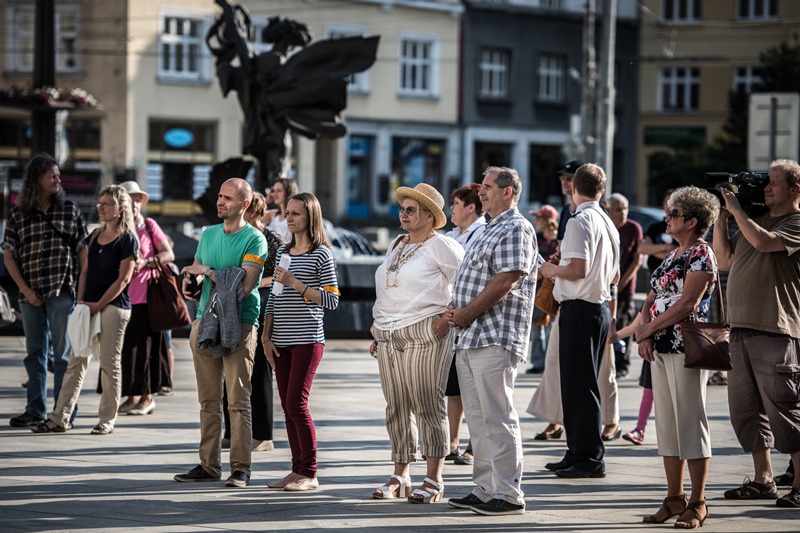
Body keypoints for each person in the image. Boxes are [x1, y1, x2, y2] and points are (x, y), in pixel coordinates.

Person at [446, 166, 537, 516]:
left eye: (486, 187)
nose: (480, 192)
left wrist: (467, 312)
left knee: (498, 417)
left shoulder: (516, 226)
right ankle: (485, 488)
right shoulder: (489, 228)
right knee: (480, 419)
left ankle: (509, 493)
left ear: (507, 191)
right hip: (470, 336)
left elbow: (506, 281)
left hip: (494, 334)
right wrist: (458, 311)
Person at [713, 159, 800, 508]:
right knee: (746, 412)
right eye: (766, 182)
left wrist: (736, 209)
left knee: (785, 411)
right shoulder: (755, 220)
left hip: (775, 330)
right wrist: (722, 215)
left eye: (774, 183)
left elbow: (765, 244)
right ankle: (764, 479)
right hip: (740, 329)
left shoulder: (795, 222)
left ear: (795, 189)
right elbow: (724, 260)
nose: (766, 188)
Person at [370, 183, 463, 503]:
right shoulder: (397, 243)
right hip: (388, 334)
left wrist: (445, 320)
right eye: (402, 208)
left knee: (426, 404)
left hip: (425, 331)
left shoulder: (442, 245)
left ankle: (434, 478)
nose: (403, 214)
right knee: (396, 406)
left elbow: (465, 283)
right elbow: (388, 285)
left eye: (411, 210)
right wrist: (378, 323)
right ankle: (401, 474)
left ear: (429, 216)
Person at [634, 185, 720, 528]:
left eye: (674, 214)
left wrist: (648, 328)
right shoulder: (672, 253)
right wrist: (644, 331)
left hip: (686, 345)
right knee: (667, 425)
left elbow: (688, 304)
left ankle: (698, 502)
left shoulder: (702, 253)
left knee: (690, 422)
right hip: (659, 345)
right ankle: (673, 498)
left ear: (692, 221)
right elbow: (652, 296)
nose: (667, 219)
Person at [174, 178, 268, 488]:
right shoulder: (208, 234)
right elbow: (199, 271)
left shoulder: (255, 240)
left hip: (240, 324)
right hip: (204, 322)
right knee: (208, 401)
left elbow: (245, 286)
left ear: (244, 205)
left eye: (227, 198)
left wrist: (208, 273)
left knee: (238, 401)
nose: (220, 201)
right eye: (219, 196)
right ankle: (208, 465)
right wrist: (194, 283)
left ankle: (240, 468)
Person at [32, 185, 139, 435]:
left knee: (109, 364)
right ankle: (60, 417)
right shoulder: (93, 236)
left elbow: (123, 280)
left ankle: (106, 419)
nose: (100, 208)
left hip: (113, 307)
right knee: (75, 361)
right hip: (87, 306)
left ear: (121, 209)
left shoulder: (127, 239)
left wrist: (98, 306)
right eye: (99, 203)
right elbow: (85, 272)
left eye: (107, 204)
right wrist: (81, 303)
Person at [541, 163, 619, 479]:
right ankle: (577, 451)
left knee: (579, 386)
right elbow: (613, 275)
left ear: (574, 188)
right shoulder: (608, 222)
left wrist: (551, 271)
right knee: (579, 384)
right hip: (598, 307)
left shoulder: (579, 221)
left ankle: (589, 457)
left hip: (579, 308)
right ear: (601, 190)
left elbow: (577, 269)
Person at [262, 192, 340, 492]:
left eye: (295, 213)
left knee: (297, 403)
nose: (289, 218)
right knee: (287, 406)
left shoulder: (322, 254)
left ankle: (309, 472)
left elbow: (331, 300)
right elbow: (274, 300)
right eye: (288, 212)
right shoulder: (283, 251)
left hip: (307, 340)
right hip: (280, 340)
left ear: (310, 217)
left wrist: (297, 283)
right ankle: (296, 471)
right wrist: (267, 336)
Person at [4, 153, 88, 428]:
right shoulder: (18, 214)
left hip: (62, 290)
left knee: (63, 355)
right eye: (51, 176)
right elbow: (8, 256)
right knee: (34, 354)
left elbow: (83, 250)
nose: (57, 180)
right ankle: (35, 409)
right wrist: (26, 291)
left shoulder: (69, 209)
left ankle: (63, 413)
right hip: (30, 294)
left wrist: (81, 287)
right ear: (36, 180)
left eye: (58, 175)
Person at [221, 192, 283, 452]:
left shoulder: (270, 239)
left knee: (259, 371)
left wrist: (257, 280)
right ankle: (230, 430)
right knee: (229, 371)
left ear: (254, 212)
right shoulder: (234, 237)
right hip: (233, 307)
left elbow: (281, 277)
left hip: (261, 307)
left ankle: (262, 434)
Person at [117, 181, 175, 417]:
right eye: (129, 199)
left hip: (147, 297)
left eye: (137, 200)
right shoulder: (120, 229)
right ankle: (133, 395)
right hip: (123, 296)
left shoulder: (149, 225)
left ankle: (148, 397)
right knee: (128, 351)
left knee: (148, 349)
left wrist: (147, 262)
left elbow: (168, 254)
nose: (133, 204)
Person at [443, 183, 486, 466]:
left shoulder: (481, 233)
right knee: (454, 385)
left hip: (474, 318)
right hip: (450, 318)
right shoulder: (450, 235)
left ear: (471, 207)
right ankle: (453, 441)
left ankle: (475, 444)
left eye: (456, 204)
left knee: (477, 388)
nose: (451, 210)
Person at [607, 193, 643, 381]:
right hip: (605, 287)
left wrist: (621, 283)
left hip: (625, 287)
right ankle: (607, 362)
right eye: (618, 209)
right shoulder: (606, 226)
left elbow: (637, 259)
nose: (623, 213)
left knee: (625, 325)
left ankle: (622, 364)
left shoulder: (633, 228)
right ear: (609, 210)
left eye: (625, 209)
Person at [526, 205, 559, 375]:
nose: (536, 221)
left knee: (551, 326)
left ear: (547, 220)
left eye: (539, 218)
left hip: (554, 286)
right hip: (536, 285)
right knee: (536, 326)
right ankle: (538, 363)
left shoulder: (559, 240)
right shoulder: (536, 238)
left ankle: (551, 364)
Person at [556, 160, 583, 241]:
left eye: (569, 179)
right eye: (562, 178)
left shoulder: (588, 211)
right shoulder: (565, 210)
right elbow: (559, 243)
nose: (563, 182)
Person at [266, 177, 299, 242]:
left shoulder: (296, 215)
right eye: (273, 191)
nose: (274, 194)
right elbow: (251, 215)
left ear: (288, 192)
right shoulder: (274, 214)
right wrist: (265, 201)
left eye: (279, 191)